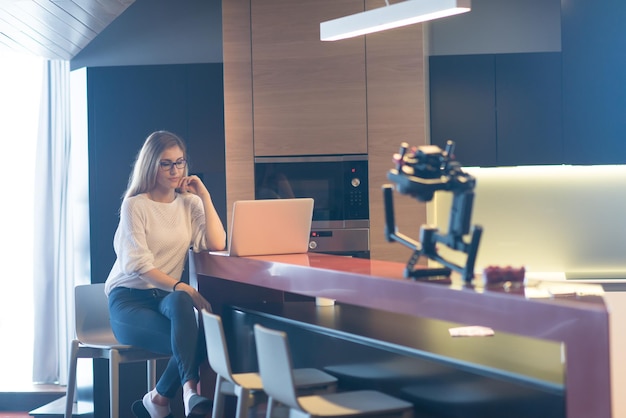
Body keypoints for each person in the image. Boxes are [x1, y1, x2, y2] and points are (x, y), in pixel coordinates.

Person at [104, 130, 227, 418]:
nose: (175, 171)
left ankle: (169, 396)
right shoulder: (135, 205)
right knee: (198, 337)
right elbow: (138, 265)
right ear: (151, 165)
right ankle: (181, 394)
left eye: (180, 162)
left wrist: (205, 196)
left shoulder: (190, 203)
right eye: (166, 163)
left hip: (166, 298)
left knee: (186, 309)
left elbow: (216, 242)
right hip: (129, 301)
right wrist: (188, 289)